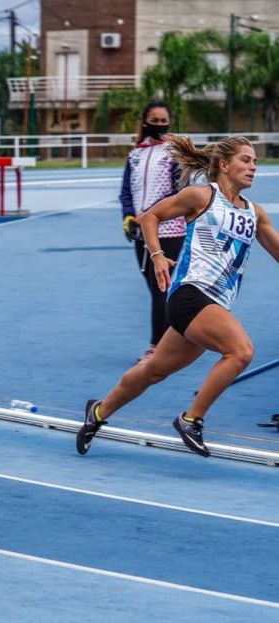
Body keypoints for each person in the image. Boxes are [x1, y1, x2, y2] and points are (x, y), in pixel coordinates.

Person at [77, 135, 279, 458]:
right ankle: (191, 420)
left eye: (255, 161)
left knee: (153, 370)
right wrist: (157, 255)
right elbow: (149, 218)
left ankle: (98, 412)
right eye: (246, 160)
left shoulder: (255, 214)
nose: (254, 167)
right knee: (240, 351)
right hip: (190, 295)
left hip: (213, 306)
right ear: (224, 165)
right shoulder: (201, 196)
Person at [119, 101, 186, 363]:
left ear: (170, 122)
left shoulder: (174, 152)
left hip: (169, 230)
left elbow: (179, 191)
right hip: (140, 232)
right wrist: (128, 217)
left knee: (161, 288)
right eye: (154, 120)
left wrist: (151, 213)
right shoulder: (136, 154)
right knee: (154, 287)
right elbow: (126, 191)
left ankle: (157, 348)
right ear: (144, 122)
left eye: (163, 120)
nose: (159, 125)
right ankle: (176, 337)